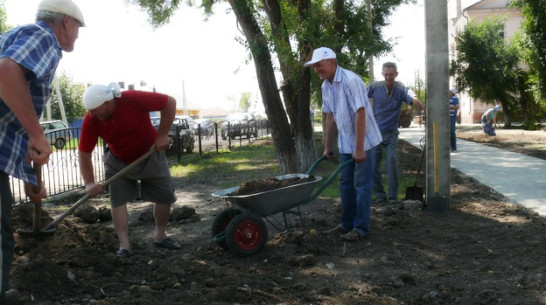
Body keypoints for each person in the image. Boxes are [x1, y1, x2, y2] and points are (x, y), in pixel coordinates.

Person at [0, 0, 84, 302]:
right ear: (65, 22)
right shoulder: (43, 37)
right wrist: (38, 134)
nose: (77, 36)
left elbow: (9, 118)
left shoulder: (17, 36)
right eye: (78, 29)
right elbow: (5, 72)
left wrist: (28, 178)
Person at [78, 83, 180, 258]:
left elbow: (169, 102)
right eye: (90, 111)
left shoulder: (132, 99)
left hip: (150, 153)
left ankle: (160, 236)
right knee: (117, 200)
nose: (92, 115)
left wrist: (162, 135)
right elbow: (84, 152)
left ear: (108, 102)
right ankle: (124, 246)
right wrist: (89, 183)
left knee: (164, 196)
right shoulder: (92, 119)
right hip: (118, 161)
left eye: (95, 110)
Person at [304, 47, 382, 241]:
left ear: (331, 61)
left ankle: (361, 228)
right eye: (314, 67)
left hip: (366, 141)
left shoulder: (350, 81)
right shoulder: (326, 86)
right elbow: (330, 116)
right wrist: (327, 146)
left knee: (361, 184)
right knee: (345, 183)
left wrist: (359, 148)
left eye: (319, 65)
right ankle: (345, 224)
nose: (317, 70)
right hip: (346, 142)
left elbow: (361, 113)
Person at [367, 62, 425, 205]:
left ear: (396, 74)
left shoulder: (400, 88)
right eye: (386, 74)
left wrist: (424, 107)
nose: (388, 77)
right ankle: (380, 196)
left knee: (391, 161)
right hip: (375, 133)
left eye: (391, 74)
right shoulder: (374, 87)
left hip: (391, 134)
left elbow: (412, 97)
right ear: (382, 75)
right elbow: (359, 96)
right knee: (374, 165)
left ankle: (392, 198)